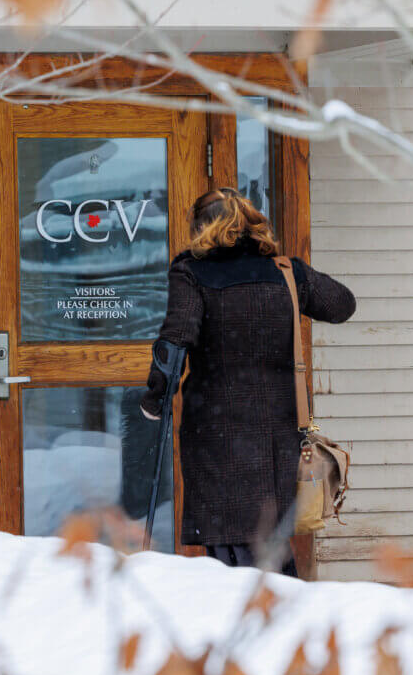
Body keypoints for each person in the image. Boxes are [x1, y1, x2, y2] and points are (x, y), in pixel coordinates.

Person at [140, 188, 356, 576]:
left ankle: (256, 609)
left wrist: (156, 399)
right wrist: (296, 279)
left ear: (201, 227)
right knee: (269, 537)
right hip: (279, 432)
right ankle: (280, 606)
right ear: (250, 223)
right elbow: (342, 304)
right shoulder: (286, 272)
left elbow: (176, 340)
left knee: (232, 544)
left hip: (218, 433)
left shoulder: (192, 273)